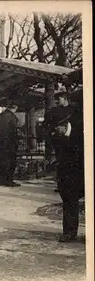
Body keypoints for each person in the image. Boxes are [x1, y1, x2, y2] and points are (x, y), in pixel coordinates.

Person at [47, 92, 84, 242]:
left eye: (57, 128)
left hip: (81, 173)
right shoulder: (58, 136)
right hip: (67, 176)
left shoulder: (78, 136)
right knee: (69, 201)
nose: (55, 131)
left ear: (64, 125)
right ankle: (69, 233)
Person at [0, 100, 21, 187]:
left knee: (2, 161)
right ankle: (9, 180)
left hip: (1, 143)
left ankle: (1, 180)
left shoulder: (0, 116)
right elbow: (15, 129)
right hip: (10, 143)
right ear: (15, 108)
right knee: (11, 162)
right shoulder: (12, 117)